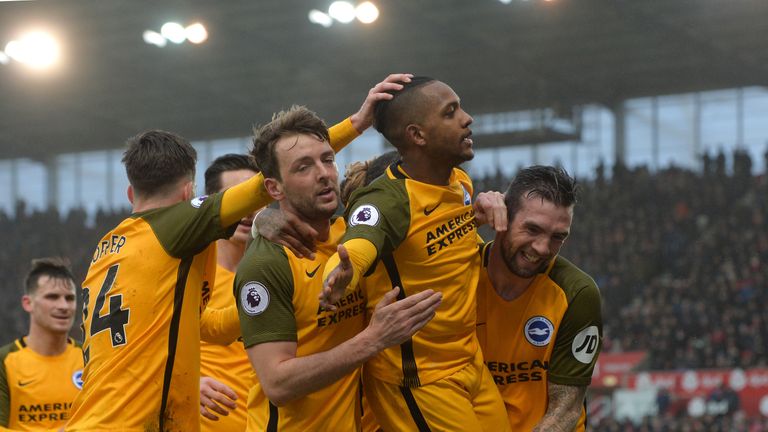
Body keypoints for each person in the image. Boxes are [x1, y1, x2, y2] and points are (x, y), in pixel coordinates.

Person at [66, 73, 404, 432]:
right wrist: (356, 124)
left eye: (327, 161)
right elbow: (263, 187)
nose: (322, 174)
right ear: (188, 193)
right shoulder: (174, 226)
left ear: (131, 194)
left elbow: (207, 325)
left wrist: (281, 303)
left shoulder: (109, 248)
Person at [235, 105, 442, 431]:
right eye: (303, 167)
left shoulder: (352, 236)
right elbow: (277, 384)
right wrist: (373, 339)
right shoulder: (266, 263)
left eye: (327, 160)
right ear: (274, 188)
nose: (324, 174)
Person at [321, 76, 511, 431]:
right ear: (417, 135)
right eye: (450, 112)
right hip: (419, 379)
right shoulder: (387, 199)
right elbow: (361, 240)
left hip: (469, 362)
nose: (467, 118)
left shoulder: (460, 183)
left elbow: (443, 248)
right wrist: (343, 272)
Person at [476, 165, 603, 431]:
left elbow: (565, 408)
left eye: (558, 237)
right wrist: (471, 217)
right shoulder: (459, 273)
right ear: (504, 217)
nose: (543, 248)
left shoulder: (576, 292)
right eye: (532, 229)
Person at [197, 154, 259, 431]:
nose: (247, 210)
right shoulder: (187, 274)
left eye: (253, 197)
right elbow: (145, 349)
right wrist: (185, 381)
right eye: (236, 197)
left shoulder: (287, 269)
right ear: (211, 202)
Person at [0, 257, 82, 431]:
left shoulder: (90, 357)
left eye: (70, 298)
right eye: (52, 297)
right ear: (28, 303)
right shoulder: (5, 361)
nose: (64, 306)